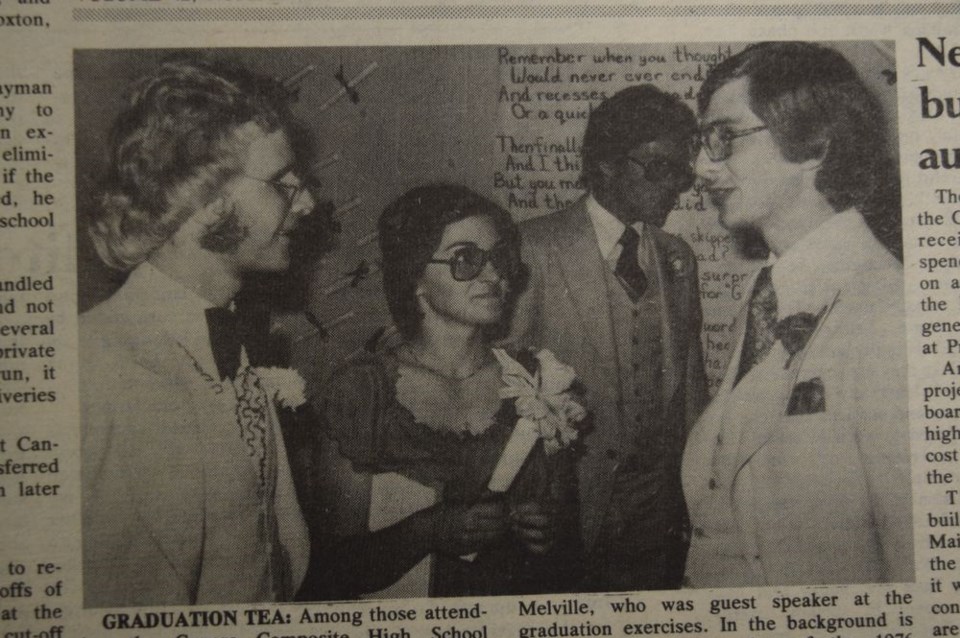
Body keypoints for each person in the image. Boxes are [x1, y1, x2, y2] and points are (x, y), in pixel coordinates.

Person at [80, 58, 317, 606]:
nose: (304, 202)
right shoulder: (105, 364)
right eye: (282, 183)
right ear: (198, 197)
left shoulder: (225, 341)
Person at [681, 41, 912, 587]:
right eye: (702, 141)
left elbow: (915, 570)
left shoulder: (887, 311)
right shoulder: (767, 295)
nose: (699, 168)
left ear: (814, 143)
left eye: (725, 138)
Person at [302, 184, 581, 600]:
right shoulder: (365, 392)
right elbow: (334, 571)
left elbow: (564, 544)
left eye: (501, 258)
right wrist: (428, 530)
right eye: (465, 259)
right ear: (415, 277)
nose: (494, 275)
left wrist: (545, 531)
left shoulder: (537, 380)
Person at [509, 85, 708, 591]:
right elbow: (500, 386)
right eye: (658, 170)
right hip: (565, 513)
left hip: (657, 518)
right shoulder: (532, 249)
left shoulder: (678, 257)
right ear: (604, 165)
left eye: (681, 173)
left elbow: (690, 388)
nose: (676, 189)